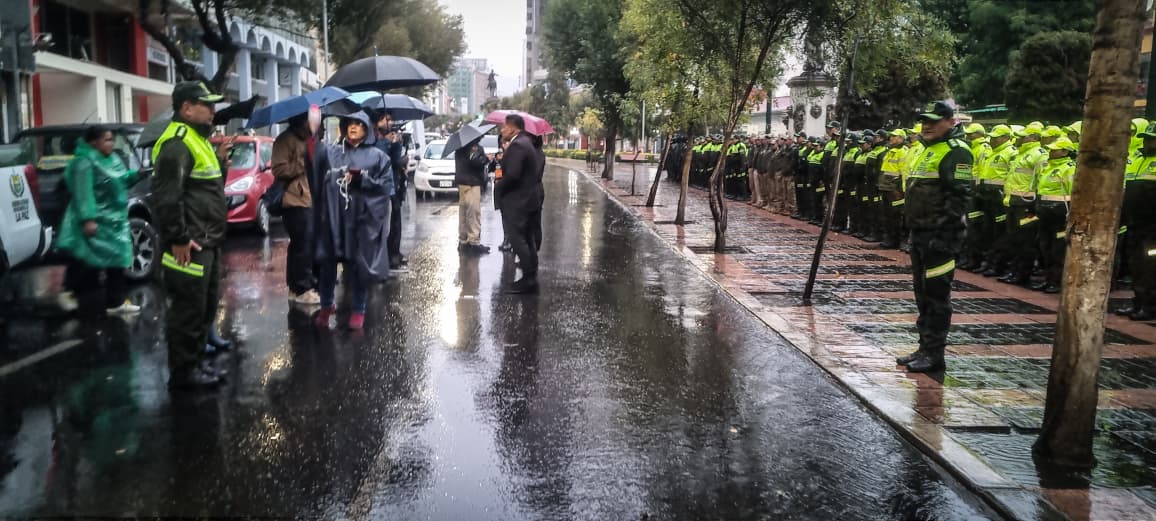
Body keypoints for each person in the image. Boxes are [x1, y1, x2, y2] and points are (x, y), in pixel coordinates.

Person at [151, 81, 231, 390]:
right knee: (188, 310)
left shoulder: (199, 142)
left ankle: (196, 362)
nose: (213, 111)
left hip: (207, 240)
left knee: (204, 307)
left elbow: (209, 190)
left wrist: (222, 161)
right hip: (191, 244)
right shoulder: (178, 143)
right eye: (207, 105)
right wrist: (179, 238)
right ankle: (185, 372)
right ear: (186, 108)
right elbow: (167, 197)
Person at [895, 101, 973, 374]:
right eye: (924, 120)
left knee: (937, 296)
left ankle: (934, 354)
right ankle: (924, 348)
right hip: (921, 234)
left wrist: (943, 233)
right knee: (922, 295)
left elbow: (959, 197)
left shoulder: (956, 152)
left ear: (951, 121)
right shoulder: (925, 150)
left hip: (941, 237)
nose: (926, 125)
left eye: (934, 121)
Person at [314, 111, 393, 330]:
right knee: (328, 262)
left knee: (359, 265)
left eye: (359, 124)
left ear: (367, 128)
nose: (354, 127)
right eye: (350, 123)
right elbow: (318, 179)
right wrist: (335, 176)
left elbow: (385, 189)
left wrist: (363, 179)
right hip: (335, 216)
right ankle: (326, 304)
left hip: (360, 219)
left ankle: (359, 309)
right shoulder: (332, 152)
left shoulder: (379, 157)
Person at [55, 126, 142, 315]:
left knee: (116, 259)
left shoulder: (112, 160)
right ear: (93, 142)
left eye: (112, 140)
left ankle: (116, 301)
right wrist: (88, 219)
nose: (111, 143)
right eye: (107, 140)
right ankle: (68, 291)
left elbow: (120, 180)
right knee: (86, 259)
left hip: (113, 220)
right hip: (95, 219)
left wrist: (137, 175)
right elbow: (82, 192)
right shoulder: (83, 163)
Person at [272, 113, 320, 305]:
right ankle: (302, 288)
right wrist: (303, 162)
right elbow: (278, 169)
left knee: (301, 245)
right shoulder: (284, 140)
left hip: (308, 198)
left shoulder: (309, 139)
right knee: (302, 245)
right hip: (294, 200)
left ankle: (295, 286)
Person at [497, 114, 544, 294]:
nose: (502, 130)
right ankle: (530, 276)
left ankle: (528, 278)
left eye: (504, 127)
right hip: (528, 199)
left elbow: (513, 174)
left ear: (513, 128)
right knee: (527, 238)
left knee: (518, 239)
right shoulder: (526, 143)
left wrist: (500, 187)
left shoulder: (518, 145)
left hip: (519, 201)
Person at [1118, 123, 1156, 320]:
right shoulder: (1137, 160)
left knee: (1150, 266)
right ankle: (1138, 301)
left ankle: (1149, 306)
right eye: (1148, 138)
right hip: (1134, 225)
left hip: (1153, 228)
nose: (1150, 142)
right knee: (1136, 265)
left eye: (1153, 139)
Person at [1032, 137, 1077, 294]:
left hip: (1060, 216)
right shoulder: (1048, 167)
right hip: (1046, 215)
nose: (1051, 152)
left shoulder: (1069, 168)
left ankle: (1057, 282)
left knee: (1058, 251)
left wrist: (1070, 214)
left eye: (1054, 149)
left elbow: (1074, 193)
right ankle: (1049, 279)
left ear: (1065, 151)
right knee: (1045, 247)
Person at [455, 137, 491, 254]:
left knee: (464, 212)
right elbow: (475, 161)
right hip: (472, 183)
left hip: (462, 182)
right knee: (473, 212)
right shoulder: (473, 148)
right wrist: (487, 158)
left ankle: (463, 240)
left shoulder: (459, 148)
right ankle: (473, 241)